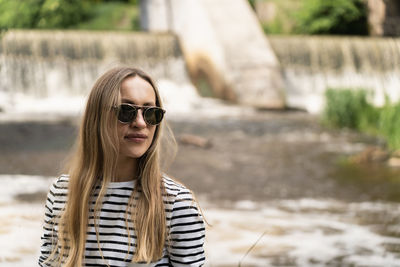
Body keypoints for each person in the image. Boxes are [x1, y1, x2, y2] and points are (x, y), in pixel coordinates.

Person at [38, 66, 206, 267]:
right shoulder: (61, 193)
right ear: (97, 117)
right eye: (126, 111)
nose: (140, 123)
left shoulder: (177, 204)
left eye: (151, 113)